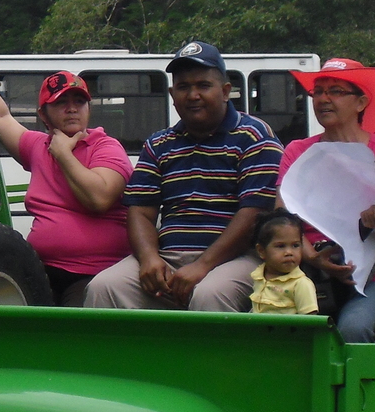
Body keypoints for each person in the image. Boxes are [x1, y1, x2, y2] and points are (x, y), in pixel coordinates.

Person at [86, 42, 283, 313]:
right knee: (104, 287)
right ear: (172, 93)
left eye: (203, 85)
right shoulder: (159, 143)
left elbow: (253, 215)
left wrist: (202, 265)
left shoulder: (255, 137)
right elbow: (141, 212)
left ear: (225, 91)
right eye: (183, 87)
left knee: (209, 295)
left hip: (238, 259)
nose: (193, 95)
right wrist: (149, 259)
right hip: (169, 257)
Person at [0, 48, 132, 305]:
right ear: (43, 114)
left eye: (79, 102)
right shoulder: (37, 146)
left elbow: (98, 199)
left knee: (65, 326)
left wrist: (64, 154)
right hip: (40, 269)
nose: (72, 109)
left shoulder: (106, 147)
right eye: (61, 103)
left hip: (94, 273)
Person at [278, 58, 375, 342]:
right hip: (306, 274)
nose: (323, 99)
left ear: (361, 102)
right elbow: (281, 220)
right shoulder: (297, 152)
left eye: (335, 91)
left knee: (354, 328)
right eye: (318, 92)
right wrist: (313, 258)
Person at [249, 212, 320, 315]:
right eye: (281, 246)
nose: (289, 252)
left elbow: (310, 322)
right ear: (261, 251)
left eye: (295, 245)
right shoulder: (258, 275)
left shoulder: (301, 284)